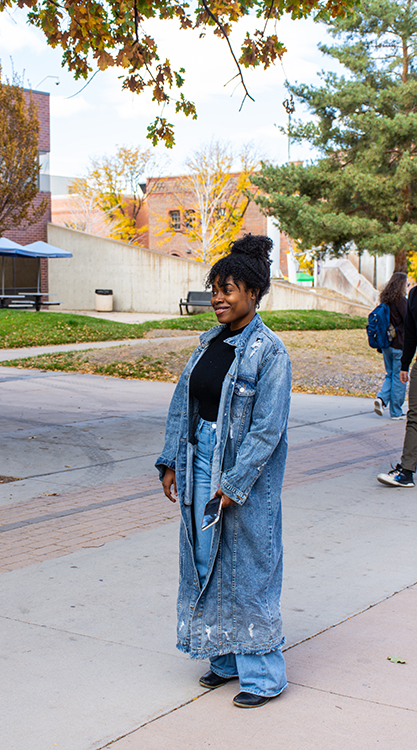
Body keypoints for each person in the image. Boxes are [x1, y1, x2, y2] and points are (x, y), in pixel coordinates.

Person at [156, 234, 291, 708]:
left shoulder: (270, 352)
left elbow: (267, 431)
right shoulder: (209, 342)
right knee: (205, 559)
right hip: (199, 459)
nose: (217, 297)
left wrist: (234, 484)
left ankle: (263, 675)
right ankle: (225, 659)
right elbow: (183, 405)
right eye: (214, 288)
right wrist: (172, 460)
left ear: (253, 293)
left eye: (228, 289)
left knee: (249, 567)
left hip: (241, 472)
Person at [377, 278, 417, 488]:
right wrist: (405, 365)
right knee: (414, 417)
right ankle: (407, 471)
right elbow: (411, 334)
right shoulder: (414, 296)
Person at [373, 272, 408, 420]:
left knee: (390, 374)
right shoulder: (401, 301)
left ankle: (381, 399)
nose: (408, 287)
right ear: (401, 285)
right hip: (399, 345)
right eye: (406, 284)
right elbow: (409, 322)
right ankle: (396, 412)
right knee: (400, 377)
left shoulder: (385, 300)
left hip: (386, 344)